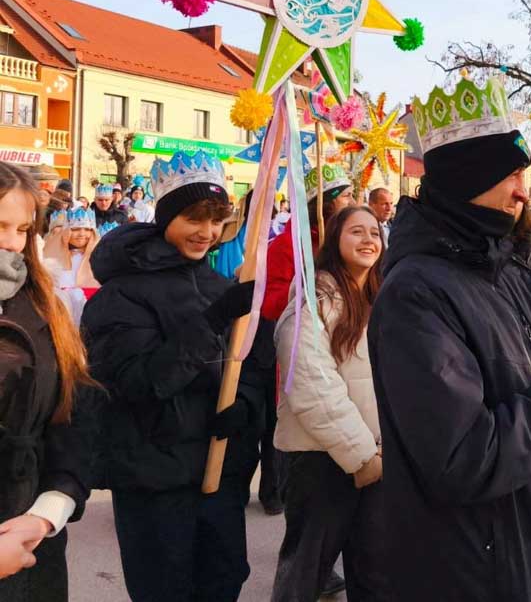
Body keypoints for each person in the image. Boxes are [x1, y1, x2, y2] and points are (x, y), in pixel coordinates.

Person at [368, 77, 531, 601]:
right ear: (468, 177)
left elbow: (524, 403)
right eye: (511, 175)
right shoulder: (415, 293)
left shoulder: (506, 273)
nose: (523, 191)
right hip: (475, 572)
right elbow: (465, 457)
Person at [81, 151, 267, 602]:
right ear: (166, 217)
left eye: (216, 220)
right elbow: (135, 382)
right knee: (166, 589)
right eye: (193, 218)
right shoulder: (122, 294)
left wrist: (244, 405)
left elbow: (251, 367)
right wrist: (210, 322)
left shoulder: (219, 287)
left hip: (218, 474)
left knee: (223, 579)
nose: (206, 232)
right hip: (154, 478)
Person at [271, 206, 388, 601]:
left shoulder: (383, 299)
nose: (368, 239)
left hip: (375, 457)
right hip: (320, 458)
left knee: (374, 570)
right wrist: (361, 456)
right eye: (356, 231)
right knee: (305, 574)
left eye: (374, 232)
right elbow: (312, 384)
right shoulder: (312, 300)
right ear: (335, 239)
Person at [0, 162, 95, 600]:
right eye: (0, 226)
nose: (11, 243)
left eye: (21, 229)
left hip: (34, 542)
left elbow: (71, 416)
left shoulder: (44, 308)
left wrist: (50, 510)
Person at [261, 164, 354, 323]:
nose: (353, 203)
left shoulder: (345, 241)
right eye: (347, 196)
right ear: (325, 203)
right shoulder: (288, 244)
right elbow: (270, 307)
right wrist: (309, 285)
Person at [41, 207, 100, 326]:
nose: (82, 234)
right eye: (76, 229)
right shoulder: (50, 257)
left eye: (87, 229)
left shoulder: (100, 259)